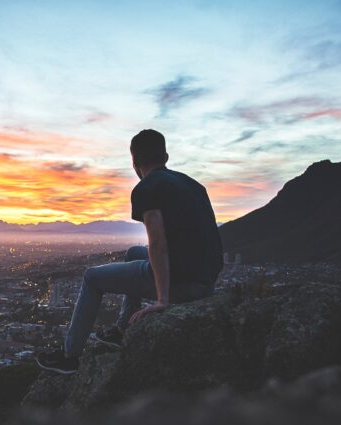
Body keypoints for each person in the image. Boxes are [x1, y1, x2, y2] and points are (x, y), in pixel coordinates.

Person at [36, 129, 223, 374]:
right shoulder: (194, 185)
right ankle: (123, 328)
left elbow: (157, 242)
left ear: (134, 162)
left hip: (183, 282)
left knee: (91, 278)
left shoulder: (147, 187)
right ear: (165, 157)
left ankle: (70, 355)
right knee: (135, 252)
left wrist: (162, 300)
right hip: (205, 279)